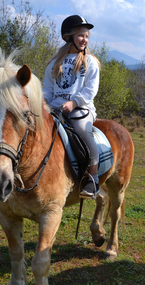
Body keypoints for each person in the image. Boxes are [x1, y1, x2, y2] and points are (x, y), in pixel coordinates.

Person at [43, 15, 101, 199]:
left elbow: (90, 90)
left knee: (83, 130)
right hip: (55, 108)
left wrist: (74, 103)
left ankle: (93, 177)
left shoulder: (90, 62)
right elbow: (47, 89)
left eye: (87, 36)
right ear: (69, 36)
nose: (84, 40)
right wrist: (44, 105)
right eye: (81, 35)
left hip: (81, 109)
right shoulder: (54, 63)